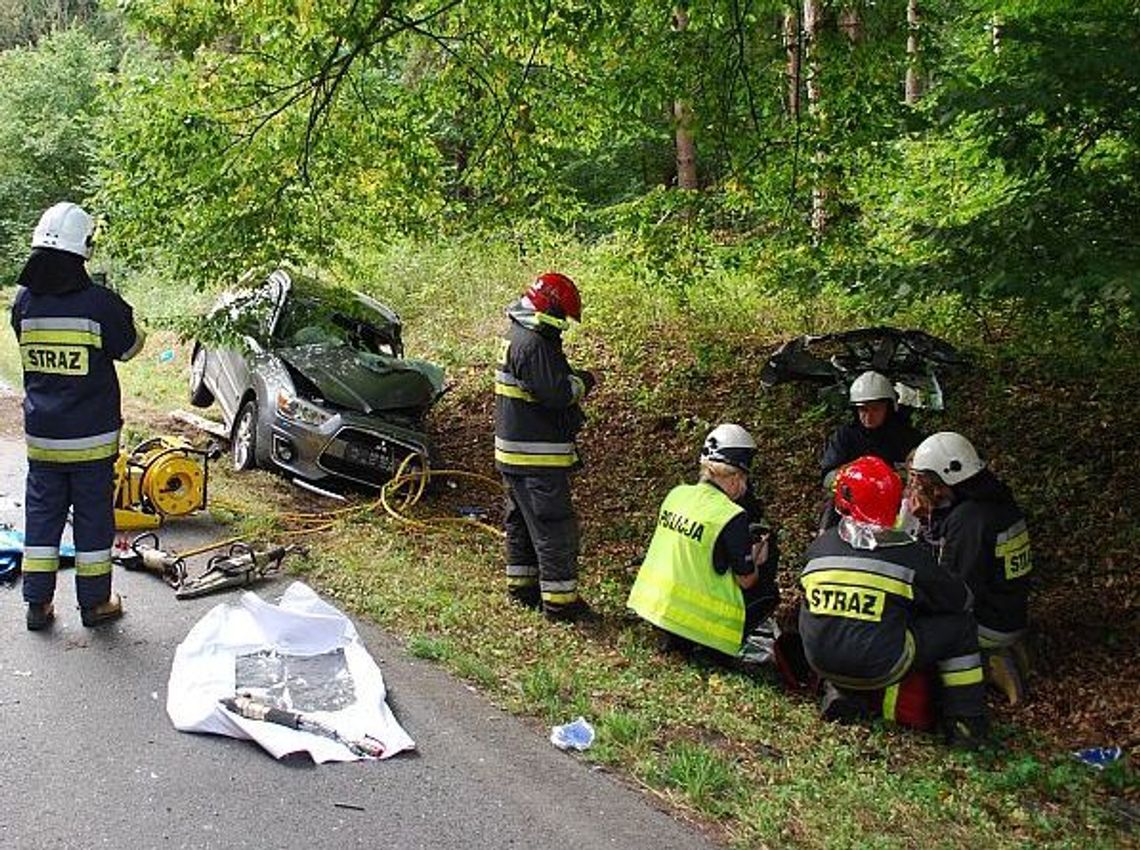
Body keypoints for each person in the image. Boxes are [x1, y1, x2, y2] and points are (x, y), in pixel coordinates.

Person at [10, 202, 144, 630]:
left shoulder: (24, 303)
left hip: (43, 439)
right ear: (83, 247)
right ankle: (96, 604)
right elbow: (131, 347)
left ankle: (37, 605)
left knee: (42, 521)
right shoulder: (99, 304)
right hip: (91, 440)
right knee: (91, 522)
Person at [798, 455, 988, 748]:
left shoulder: (819, 547)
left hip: (819, 661)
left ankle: (840, 693)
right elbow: (960, 600)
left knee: (838, 617)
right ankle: (966, 724)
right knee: (960, 627)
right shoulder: (909, 557)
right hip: (882, 667)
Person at [627, 424, 780, 661]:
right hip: (699, 624)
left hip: (654, 609)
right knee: (768, 593)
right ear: (735, 476)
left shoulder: (676, 495)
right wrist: (756, 557)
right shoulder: (731, 515)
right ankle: (716, 650)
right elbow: (747, 581)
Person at [494, 271, 596, 622]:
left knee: (521, 523)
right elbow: (557, 394)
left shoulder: (519, 334)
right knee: (555, 528)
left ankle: (522, 588)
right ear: (547, 306)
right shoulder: (534, 344)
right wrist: (582, 382)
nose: (563, 325)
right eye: (562, 317)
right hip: (536, 456)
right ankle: (561, 604)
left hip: (516, 452)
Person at [908, 431, 1033, 703]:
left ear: (950, 479)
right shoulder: (997, 501)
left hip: (988, 624)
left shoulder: (969, 520)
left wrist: (924, 530)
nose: (931, 492)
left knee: (919, 623)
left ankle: (988, 663)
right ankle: (1010, 650)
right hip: (1012, 614)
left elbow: (953, 592)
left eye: (931, 484)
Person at [818, 371, 923, 531]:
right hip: (853, 501)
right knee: (832, 504)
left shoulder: (905, 436)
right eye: (863, 410)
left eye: (875, 409)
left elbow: (923, 473)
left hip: (895, 502)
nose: (868, 416)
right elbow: (827, 476)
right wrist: (856, 478)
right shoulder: (845, 436)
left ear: (888, 408)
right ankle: (825, 541)